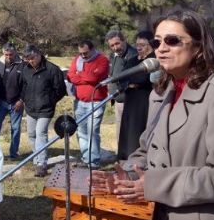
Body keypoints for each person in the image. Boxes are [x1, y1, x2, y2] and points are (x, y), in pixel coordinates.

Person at [92, 10, 214, 220]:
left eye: (172, 41)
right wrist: (126, 175)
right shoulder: (162, 94)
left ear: (199, 47)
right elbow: (148, 151)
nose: (161, 48)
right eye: (156, 42)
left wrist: (154, 185)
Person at [19, 45, 66, 177]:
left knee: (41, 134)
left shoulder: (52, 69)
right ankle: (36, 158)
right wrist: (24, 100)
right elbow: (23, 86)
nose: (30, 61)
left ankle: (42, 164)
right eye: (27, 59)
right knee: (31, 134)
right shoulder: (25, 69)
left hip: (46, 109)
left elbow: (60, 90)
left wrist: (50, 101)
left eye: (32, 58)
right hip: (30, 108)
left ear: (39, 55)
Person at [66, 39, 109, 168]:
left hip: (96, 102)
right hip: (79, 102)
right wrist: (84, 76)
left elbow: (95, 77)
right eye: (81, 53)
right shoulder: (77, 60)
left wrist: (79, 75)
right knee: (81, 131)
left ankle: (94, 161)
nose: (83, 56)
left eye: (85, 53)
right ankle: (86, 158)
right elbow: (70, 76)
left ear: (92, 49)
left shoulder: (102, 60)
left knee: (92, 131)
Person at [117, 31, 155, 161]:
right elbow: (122, 77)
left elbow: (144, 79)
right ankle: (126, 158)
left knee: (137, 132)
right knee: (127, 132)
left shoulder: (153, 60)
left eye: (143, 45)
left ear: (150, 45)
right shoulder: (133, 60)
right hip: (130, 101)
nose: (139, 47)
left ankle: (137, 161)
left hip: (144, 101)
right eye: (137, 44)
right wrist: (130, 83)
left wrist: (132, 81)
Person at [0, 44, 24, 159]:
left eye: (11, 54)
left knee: (16, 129)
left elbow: (27, 85)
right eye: (6, 54)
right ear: (3, 53)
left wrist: (22, 100)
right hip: (0, 102)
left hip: (16, 103)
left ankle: (13, 154)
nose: (8, 56)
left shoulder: (22, 64)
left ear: (15, 53)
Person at [105, 30, 139, 141]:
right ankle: (121, 156)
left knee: (131, 134)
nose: (115, 48)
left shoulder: (134, 55)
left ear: (124, 40)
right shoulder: (113, 56)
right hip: (118, 101)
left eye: (117, 43)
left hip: (131, 102)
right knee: (120, 133)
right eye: (112, 45)